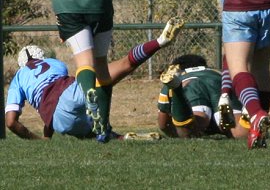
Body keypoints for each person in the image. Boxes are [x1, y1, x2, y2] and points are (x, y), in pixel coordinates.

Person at [5, 18, 185, 141]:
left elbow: (11, 122)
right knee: (123, 65)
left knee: (92, 134)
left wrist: (40, 140)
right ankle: (159, 41)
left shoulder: (18, 78)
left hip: (58, 119)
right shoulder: (54, 63)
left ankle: (119, 137)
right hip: (70, 91)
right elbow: (56, 90)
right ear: (41, 57)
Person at [218, 0, 270, 149]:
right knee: (261, 68)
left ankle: (256, 115)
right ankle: (259, 130)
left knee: (239, 67)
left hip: (239, 6)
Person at [51, 0, 116, 139]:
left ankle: (88, 92)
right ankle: (103, 128)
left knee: (85, 62)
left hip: (68, 4)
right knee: (101, 64)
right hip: (99, 2)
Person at [157, 54, 250, 139]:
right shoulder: (217, 73)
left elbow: (163, 125)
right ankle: (246, 119)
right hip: (221, 84)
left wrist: (173, 133)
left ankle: (177, 90)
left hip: (191, 85)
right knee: (239, 133)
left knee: (190, 132)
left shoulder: (180, 76)